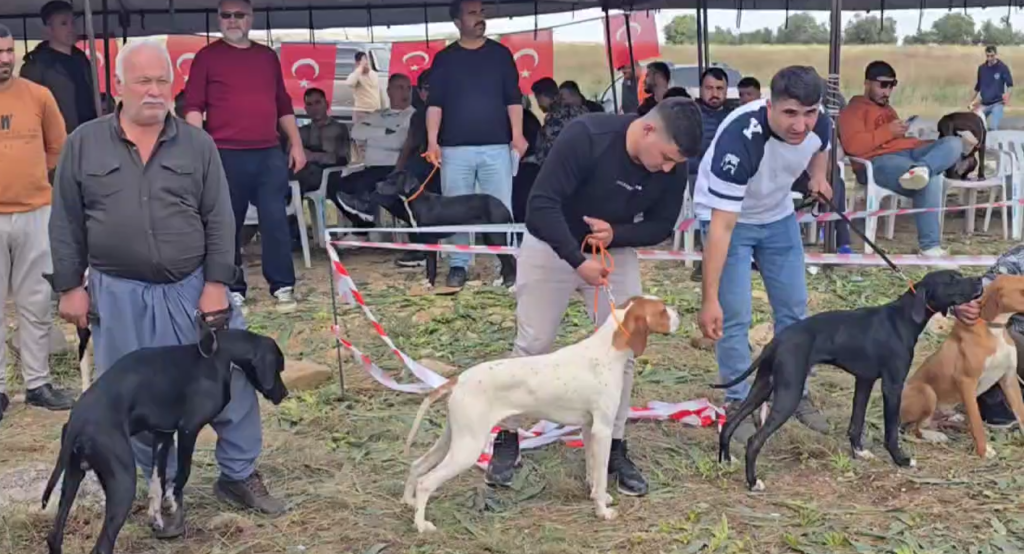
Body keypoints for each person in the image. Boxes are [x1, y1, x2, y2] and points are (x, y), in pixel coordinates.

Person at [49, 40, 284, 537]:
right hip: (117, 293)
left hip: (192, 289)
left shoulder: (198, 144)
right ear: (118, 86)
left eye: (162, 81)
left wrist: (217, 283)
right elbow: (66, 222)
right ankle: (163, 492)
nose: (155, 91)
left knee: (233, 385)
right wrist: (70, 287)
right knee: (131, 396)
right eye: (143, 81)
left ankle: (238, 474)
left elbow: (221, 217)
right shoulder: (83, 144)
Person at [486, 99, 703, 496]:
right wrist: (575, 259)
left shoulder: (674, 163)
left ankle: (614, 444)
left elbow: (660, 225)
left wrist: (616, 235)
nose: (669, 168)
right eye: (666, 158)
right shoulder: (587, 136)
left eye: (676, 163)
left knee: (624, 351)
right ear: (649, 130)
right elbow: (539, 206)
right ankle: (508, 435)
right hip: (552, 244)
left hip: (610, 252)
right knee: (533, 343)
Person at [696, 66, 834, 444]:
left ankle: (794, 393)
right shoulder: (740, 138)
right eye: (790, 113)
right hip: (729, 218)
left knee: (794, 310)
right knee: (734, 315)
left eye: (809, 113)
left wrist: (818, 177)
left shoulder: (820, 124)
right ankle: (738, 402)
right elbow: (722, 229)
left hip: (777, 214)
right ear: (769, 105)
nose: (800, 124)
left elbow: (820, 148)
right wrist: (709, 299)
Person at [183, 0, 305, 313]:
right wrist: (199, 149)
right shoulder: (206, 57)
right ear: (218, 19)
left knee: (275, 219)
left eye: (239, 15)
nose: (233, 20)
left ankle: (283, 287)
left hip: (267, 152)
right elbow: (193, 106)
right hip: (224, 153)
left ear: (251, 18)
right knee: (227, 224)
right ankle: (232, 288)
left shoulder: (267, 56)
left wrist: (296, 143)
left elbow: (283, 103)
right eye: (226, 15)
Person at [0, 23, 74, 422]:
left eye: (9, 51)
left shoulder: (37, 96)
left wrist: (31, 179)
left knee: (35, 303)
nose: (5, 59)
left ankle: (37, 384)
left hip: (34, 212)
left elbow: (57, 147)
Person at [426, 0, 527, 289]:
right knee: (455, 210)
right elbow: (435, 104)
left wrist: (517, 135)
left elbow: (513, 98)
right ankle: (458, 265)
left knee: (500, 209)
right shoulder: (445, 58)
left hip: (496, 147)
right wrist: (433, 141)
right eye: (472, 13)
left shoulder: (501, 55)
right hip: (454, 148)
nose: (480, 18)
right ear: (457, 22)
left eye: (482, 12)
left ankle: (506, 263)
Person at [838, 61, 959, 258]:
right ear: (867, 83)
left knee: (953, 143)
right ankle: (929, 247)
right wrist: (889, 131)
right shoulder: (853, 110)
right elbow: (853, 146)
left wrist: (913, 140)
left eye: (892, 85)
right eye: (883, 85)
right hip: (877, 162)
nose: (887, 91)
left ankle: (923, 169)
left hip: (908, 155)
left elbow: (896, 140)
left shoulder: (888, 109)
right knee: (931, 179)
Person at [953, 244, 1024, 428]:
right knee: (984, 323)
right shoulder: (1016, 260)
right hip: (1017, 339)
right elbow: (982, 291)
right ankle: (995, 404)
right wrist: (961, 305)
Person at [330, 73, 415, 225]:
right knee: (335, 187)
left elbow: (397, 141)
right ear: (389, 91)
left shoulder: (411, 116)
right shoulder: (379, 114)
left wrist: (372, 134)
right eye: (400, 87)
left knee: (368, 186)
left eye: (408, 88)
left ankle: (414, 224)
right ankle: (362, 227)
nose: (405, 92)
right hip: (370, 167)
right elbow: (356, 131)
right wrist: (384, 131)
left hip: (393, 168)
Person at [686, 68, 737, 282]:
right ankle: (708, 260)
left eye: (719, 89)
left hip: (730, 175)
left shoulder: (736, 116)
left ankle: (733, 258)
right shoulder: (690, 114)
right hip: (697, 174)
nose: (714, 93)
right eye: (709, 88)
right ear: (701, 89)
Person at [19, 0, 98, 133]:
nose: (71, 28)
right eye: (63, 23)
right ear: (49, 29)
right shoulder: (36, 65)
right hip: (58, 138)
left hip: (89, 133)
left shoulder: (82, 59)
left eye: (73, 22)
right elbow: (28, 109)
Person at [293, 87, 349, 195]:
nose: (314, 108)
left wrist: (312, 156)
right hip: (304, 174)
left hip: (329, 175)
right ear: (305, 109)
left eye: (317, 102)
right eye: (309, 104)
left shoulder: (338, 128)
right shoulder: (303, 131)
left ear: (326, 105)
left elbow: (342, 158)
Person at [530, 77, 588, 167]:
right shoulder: (580, 109)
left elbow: (550, 153)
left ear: (543, 96)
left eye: (537, 99)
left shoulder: (554, 117)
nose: (538, 104)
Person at [969, 45, 1013, 131]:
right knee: (975, 126)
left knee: (993, 127)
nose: (990, 58)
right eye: (988, 56)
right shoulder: (982, 68)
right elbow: (978, 86)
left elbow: (1010, 85)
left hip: (997, 103)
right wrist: (972, 101)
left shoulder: (1002, 67)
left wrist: (1007, 96)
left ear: (996, 55)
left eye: (992, 56)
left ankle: (994, 143)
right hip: (984, 103)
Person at [346, 51, 383, 123]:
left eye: (367, 61)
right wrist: (360, 68)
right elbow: (350, 83)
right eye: (364, 61)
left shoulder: (373, 74)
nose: (367, 64)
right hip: (361, 111)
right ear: (357, 63)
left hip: (375, 111)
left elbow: (379, 92)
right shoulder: (356, 75)